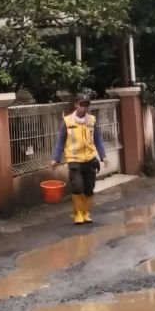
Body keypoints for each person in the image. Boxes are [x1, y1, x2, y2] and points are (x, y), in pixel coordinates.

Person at [53, 94, 107, 225]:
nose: (84, 107)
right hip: (74, 160)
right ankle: (77, 213)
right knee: (77, 187)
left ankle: (85, 213)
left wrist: (103, 156)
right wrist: (56, 158)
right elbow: (60, 141)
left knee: (89, 188)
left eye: (86, 105)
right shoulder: (67, 121)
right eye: (82, 104)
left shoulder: (92, 120)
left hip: (89, 159)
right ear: (76, 105)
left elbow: (97, 139)